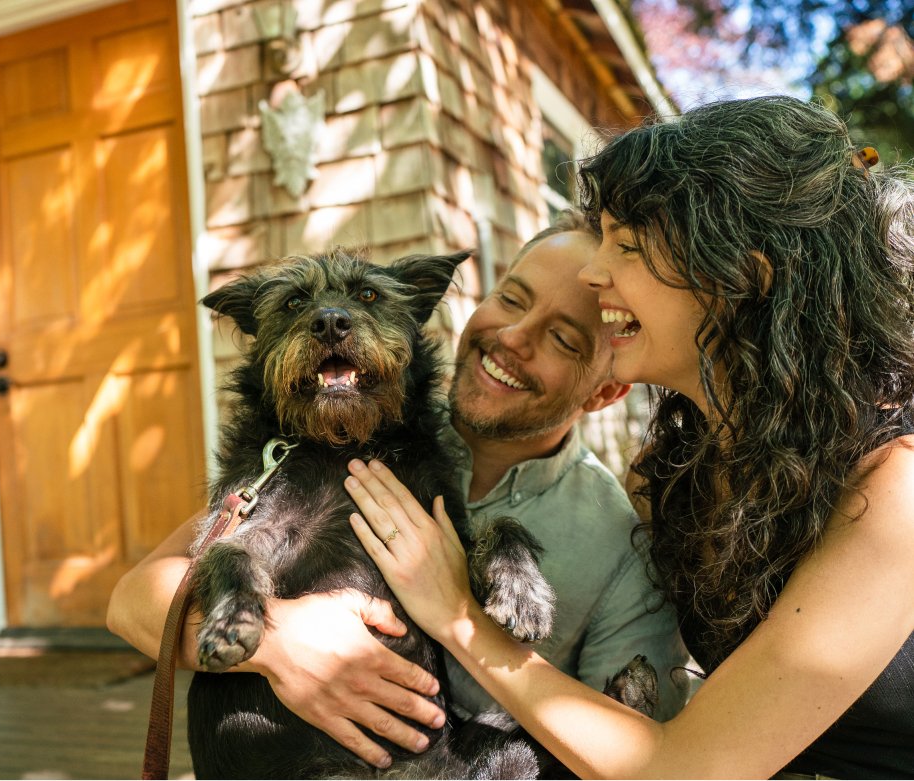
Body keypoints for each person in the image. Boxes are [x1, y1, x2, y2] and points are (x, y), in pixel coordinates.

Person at [344, 95, 914, 778]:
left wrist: (459, 615)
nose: (594, 270)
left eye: (630, 246)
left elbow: (681, 766)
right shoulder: (674, 471)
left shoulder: (892, 490)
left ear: (744, 278)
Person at [107, 212, 691, 768]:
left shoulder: (622, 548)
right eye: (510, 299)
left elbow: (639, 759)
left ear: (603, 395)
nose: (514, 337)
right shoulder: (332, 442)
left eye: (564, 340)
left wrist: (459, 615)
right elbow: (133, 601)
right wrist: (284, 647)